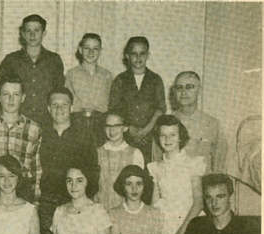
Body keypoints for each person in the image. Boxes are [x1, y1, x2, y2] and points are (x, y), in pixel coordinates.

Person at [148, 115, 205, 234]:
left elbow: (198, 202)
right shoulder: (155, 167)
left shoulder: (193, 164)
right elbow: (154, 206)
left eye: (172, 135)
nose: (167, 140)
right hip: (163, 227)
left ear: (181, 137)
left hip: (187, 226)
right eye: (163, 135)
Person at [38, 87, 98, 234]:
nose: (59, 109)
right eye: (54, 105)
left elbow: (93, 170)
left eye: (64, 105)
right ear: (48, 108)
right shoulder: (41, 133)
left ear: (71, 107)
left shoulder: (84, 135)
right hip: (47, 201)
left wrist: (84, 201)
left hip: (74, 200)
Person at [0, 74, 42, 202]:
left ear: (23, 97)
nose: (11, 99)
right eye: (6, 94)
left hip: (22, 191)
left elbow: (36, 167)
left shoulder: (33, 129)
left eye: (16, 95)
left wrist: (35, 198)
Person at [153, 71, 227, 172]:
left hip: (203, 184)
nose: (183, 92)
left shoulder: (213, 124)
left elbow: (219, 166)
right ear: (174, 91)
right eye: (179, 88)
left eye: (189, 87)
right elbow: (156, 162)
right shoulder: (164, 123)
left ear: (199, 90)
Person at [0, 14, 64, 126]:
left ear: (44, 33)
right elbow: (2, 91)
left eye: (36, 30)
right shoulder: (11, 60)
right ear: (23, 34)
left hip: (47, 122)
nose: (32, 35)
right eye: (28, 30)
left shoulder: (54, 60)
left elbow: (59, 92)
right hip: (18, 121)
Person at [109, 36, 166, 164]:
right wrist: (129, 128)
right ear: (127, 56)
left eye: (142, 53)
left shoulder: (155, 80)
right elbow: (114, 109)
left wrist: (146, 130)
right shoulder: (120, 80)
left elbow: (161, 108)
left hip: (150, 137)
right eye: (134, 54)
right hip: (126, 136)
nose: (138, 57)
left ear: (148, 55)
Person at [95, 112, 144, 210]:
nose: (112, 130)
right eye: (108, 126)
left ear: (125, 128)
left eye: (116, 126)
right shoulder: (97, 153)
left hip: (125, 209)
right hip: (100, 208)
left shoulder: (135, 153)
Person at [65, 33, 112, 114]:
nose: (91, 52)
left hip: (100, 118)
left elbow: (109, 102)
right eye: (87, 48)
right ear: (80, 50)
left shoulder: (107, 75)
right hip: (78, 118)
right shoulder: (71, 74)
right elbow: (68, 100)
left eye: (95, 49)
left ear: (100, 51)